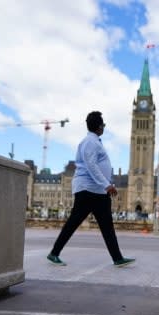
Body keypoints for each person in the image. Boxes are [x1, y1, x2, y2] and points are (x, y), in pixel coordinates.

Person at [47, 111, 135, 267]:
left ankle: (117, 258)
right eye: (104, 125)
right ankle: (54, 253)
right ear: (100, 127)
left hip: (97, 191)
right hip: (88, 191)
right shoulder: (90, 142)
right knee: (74, 223)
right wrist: (106, 185)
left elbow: (97, 167)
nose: (104, 128)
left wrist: (107, 184)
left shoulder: (93, 142)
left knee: (107, 226)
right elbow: (92, 166)